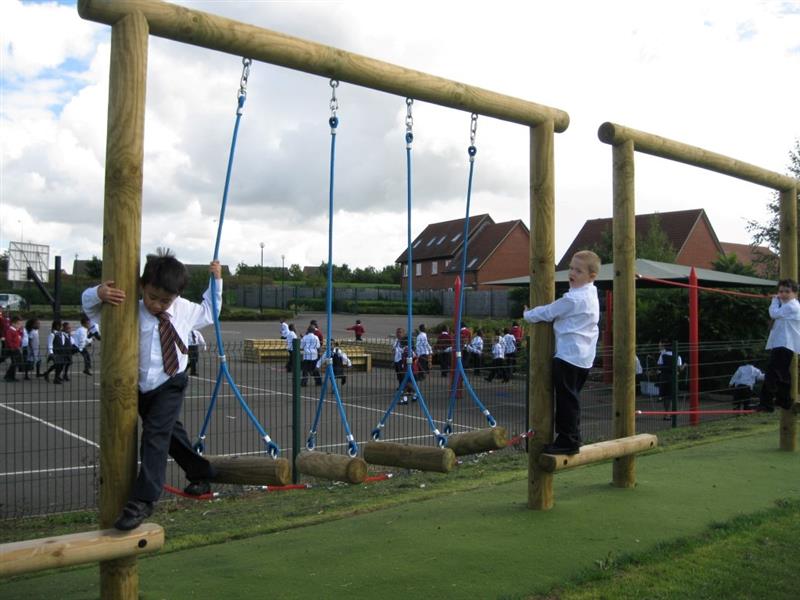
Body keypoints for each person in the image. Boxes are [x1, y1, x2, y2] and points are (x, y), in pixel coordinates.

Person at [82, 250, 222, 531]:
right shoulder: (129, 307)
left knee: (155, 436)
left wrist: (216, 281)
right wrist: (99, 293)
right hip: (139, 385)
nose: (157, 305)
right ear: (142, 286)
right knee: (170, 435)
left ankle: (144, 500)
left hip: (171, 382)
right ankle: (200, 472)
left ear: (177, 296)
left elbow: (211, 311)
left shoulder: (184, 309)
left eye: (165, 300)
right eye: (152, 297)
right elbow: (90, 308)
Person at [523, 250, 601, 455]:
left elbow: (548, 312)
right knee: (571, 397)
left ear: (591, 276)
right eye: (571, 268)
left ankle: (568, 440)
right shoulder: (592, 294)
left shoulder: (574, 299)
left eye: (579, 270)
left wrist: (528, 314)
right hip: (584, 358)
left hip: (568, 356)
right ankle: (573, 436)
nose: (572, 273)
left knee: (565, 400)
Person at [755, 278, 800, 412]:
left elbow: (773, 313)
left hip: (784, 344)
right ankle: (783, 400)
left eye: (787, 291)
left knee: (772, 373)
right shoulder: (790, 305)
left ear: (795, 293)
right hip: (784, 344)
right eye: (780, 291)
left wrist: (775, 300)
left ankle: (767, 403)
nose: (783, 294)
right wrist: (778, 300)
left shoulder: (792, 306)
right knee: (780, 373)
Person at [657, 339, 683, 419]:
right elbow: (679, 369)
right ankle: (673, 413)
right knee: (673, 396)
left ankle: (666, 414)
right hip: (673, 378)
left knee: (665, 396)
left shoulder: (662, 355)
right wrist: (684, 366)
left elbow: (659, 366)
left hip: (664, 377)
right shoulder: (677, 356)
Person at [2, 317, 23, 382]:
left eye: (20, 324)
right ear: (13, 324)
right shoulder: (10, 331)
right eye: (18, 324)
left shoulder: (16, 330)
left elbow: (19, 337)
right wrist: (12, 348)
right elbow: (9, 340)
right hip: (12, 349)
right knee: (15, 362)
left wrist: (20, 331)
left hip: (16, 348)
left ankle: (11, 376)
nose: (19, 325)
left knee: (15, 362)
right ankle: (8, 376)